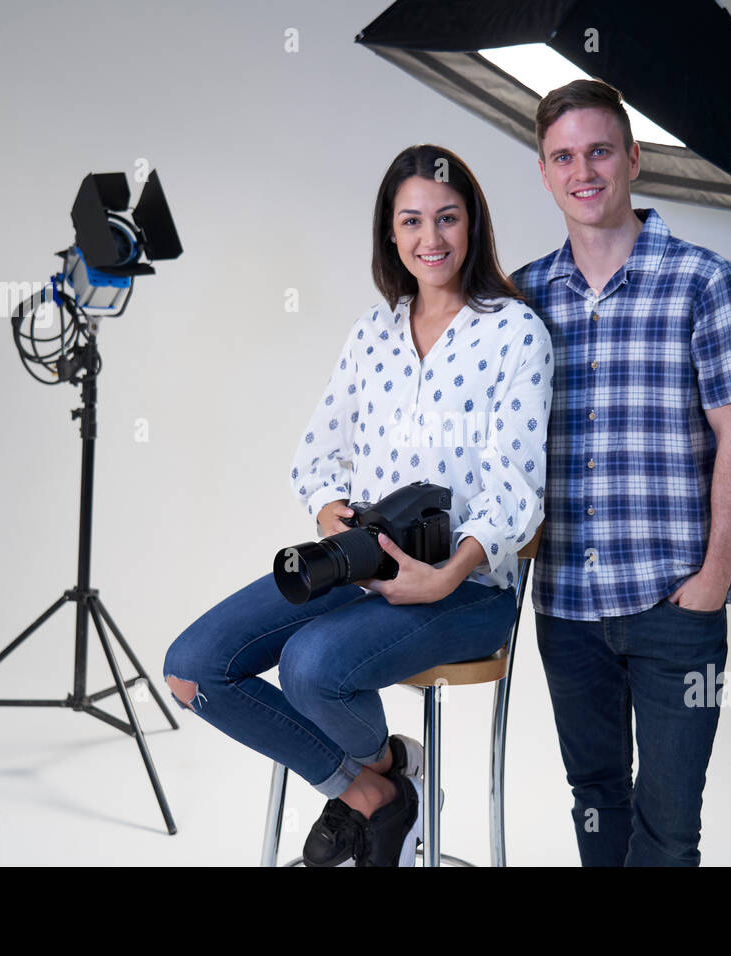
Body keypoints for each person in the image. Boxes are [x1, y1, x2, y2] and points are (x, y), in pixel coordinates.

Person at [164, 144, 552, 867]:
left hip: (466, 588)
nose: (430, 239)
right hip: (363, 568)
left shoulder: (515, 333)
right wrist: (327, 512)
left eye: (447, 218)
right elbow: (314, 454)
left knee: (311, 667)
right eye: (411, 221)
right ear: (389, 233)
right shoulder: (374, 333)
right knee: (192, 670)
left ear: (474, 226)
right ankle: (377, 788)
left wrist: (442, 574)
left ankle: (378, 784)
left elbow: (516, 496)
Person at [510, 79, 731, 866]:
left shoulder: (704, 281)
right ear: (545, 173)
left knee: (668, 827)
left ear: (632, 158)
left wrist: (712, 576)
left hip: (674, 604)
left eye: (598, 151)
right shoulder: (522, 298)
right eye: (563, 156)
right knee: (595, 798)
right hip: (566, 607)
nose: (582, 170)